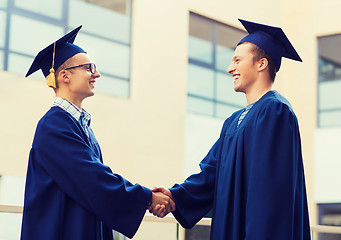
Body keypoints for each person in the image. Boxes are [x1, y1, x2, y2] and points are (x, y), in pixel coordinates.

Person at [151, 19, 311, 239]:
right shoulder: (234, 121)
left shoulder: (275, 112)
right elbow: (211, 174)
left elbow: (270, 193)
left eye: (237, 60)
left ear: (261, 64)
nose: (230, 68)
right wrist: (174, 196)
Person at [21, 26, 175, 240]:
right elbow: (92, 178)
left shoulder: (79, 124)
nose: (97, 74)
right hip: (62, 230)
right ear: (64, 75)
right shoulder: (53, 125)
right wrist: (147, 197)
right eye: (89, 67)